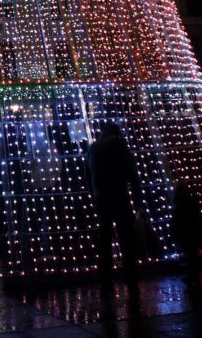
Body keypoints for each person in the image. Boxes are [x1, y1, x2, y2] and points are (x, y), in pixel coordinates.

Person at [86, 122, 143, 286]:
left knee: (104, 239)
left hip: (101, 198)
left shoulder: (93, 148)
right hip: (120, 196)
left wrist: (94, 194)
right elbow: (133, 174)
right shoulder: (120, 146)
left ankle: (105, 278)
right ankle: (130, 277)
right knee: (126, 238)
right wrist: (137, 201)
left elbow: (87, 175)